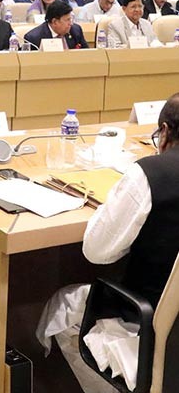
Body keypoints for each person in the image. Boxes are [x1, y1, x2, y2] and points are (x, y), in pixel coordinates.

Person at [37, 93, 179, 393]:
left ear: (165, 131)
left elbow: (97, 251)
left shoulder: (151, 174)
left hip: (149, 329)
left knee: (62, 309)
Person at [24, 0, 89, 50]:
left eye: (71, 19)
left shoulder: (76, 30)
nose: (71, 23)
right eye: (67, 20)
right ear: (54, 22)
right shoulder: (33, 38)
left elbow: (87, 54)